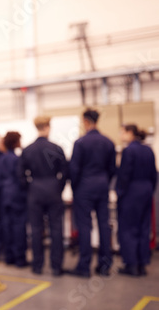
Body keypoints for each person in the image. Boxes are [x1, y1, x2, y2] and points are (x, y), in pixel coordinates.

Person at [67, 108, 116, 277]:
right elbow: (112, 169)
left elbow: (74, 170)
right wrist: (105, 183)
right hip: (102, 187)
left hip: (84, 189)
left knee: (85, 226)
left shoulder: (80, 143)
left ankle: (84, 266)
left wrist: (75, 188)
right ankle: (104, 265)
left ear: (85, 121)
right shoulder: (108, 142)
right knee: (103, 225)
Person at [19, 116, 68, 276]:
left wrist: (30, 188)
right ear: (48, 127)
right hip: (53, 190)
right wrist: (58, 187)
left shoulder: (28, 150)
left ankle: (37, 265)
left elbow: (20, 175)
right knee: (56, 229)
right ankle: (56, 266)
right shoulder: (56, 148)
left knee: (36, 229)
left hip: (35, 191)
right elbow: (65, 172)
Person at [116, 124, 157, 276]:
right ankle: (142, 263)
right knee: (143, 228)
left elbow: (124, 175)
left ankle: (131, 264)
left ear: (130, 133)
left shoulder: (129, 151)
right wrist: (149, 190)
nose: (121, 135)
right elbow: (154, 174)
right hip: (146, 191)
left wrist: (119, 193)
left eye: (122, 132)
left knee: (128, 228)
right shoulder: (148, 150)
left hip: (132, 192)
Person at [0, 131, 28, 267]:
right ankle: (19, 258)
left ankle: (9, 256)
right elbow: (20, 178)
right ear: (15, 142)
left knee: (7, 226)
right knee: (19, 227)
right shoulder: (17, 159)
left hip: (4, 195)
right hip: (16, 195)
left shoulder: (1, 159)